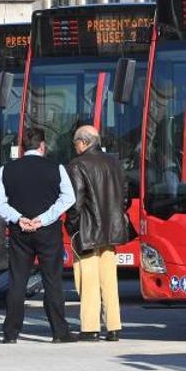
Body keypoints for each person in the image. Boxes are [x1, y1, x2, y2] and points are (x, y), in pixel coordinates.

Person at [0, 126, 77, 344]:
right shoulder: (56, 168)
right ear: (42, 145)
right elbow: (68, 198)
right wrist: (44, 218)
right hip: (48, 231)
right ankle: (59, 331)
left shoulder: (6, 169)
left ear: (21, 148)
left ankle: (11, 332)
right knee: (52, 280)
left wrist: (18, 218)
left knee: (17, 280)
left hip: (20, 230)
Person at [66, 125, 131, 341]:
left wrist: (71, 225)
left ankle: (90, 327)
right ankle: (114, 326)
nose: (75, 147)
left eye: (76, 143)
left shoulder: (77, 164)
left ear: (83, 142)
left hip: (87, 231)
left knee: (87, 280)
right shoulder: (115, 162)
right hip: (111, 231)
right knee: (109, 280)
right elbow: (124, 198)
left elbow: (76, 202)